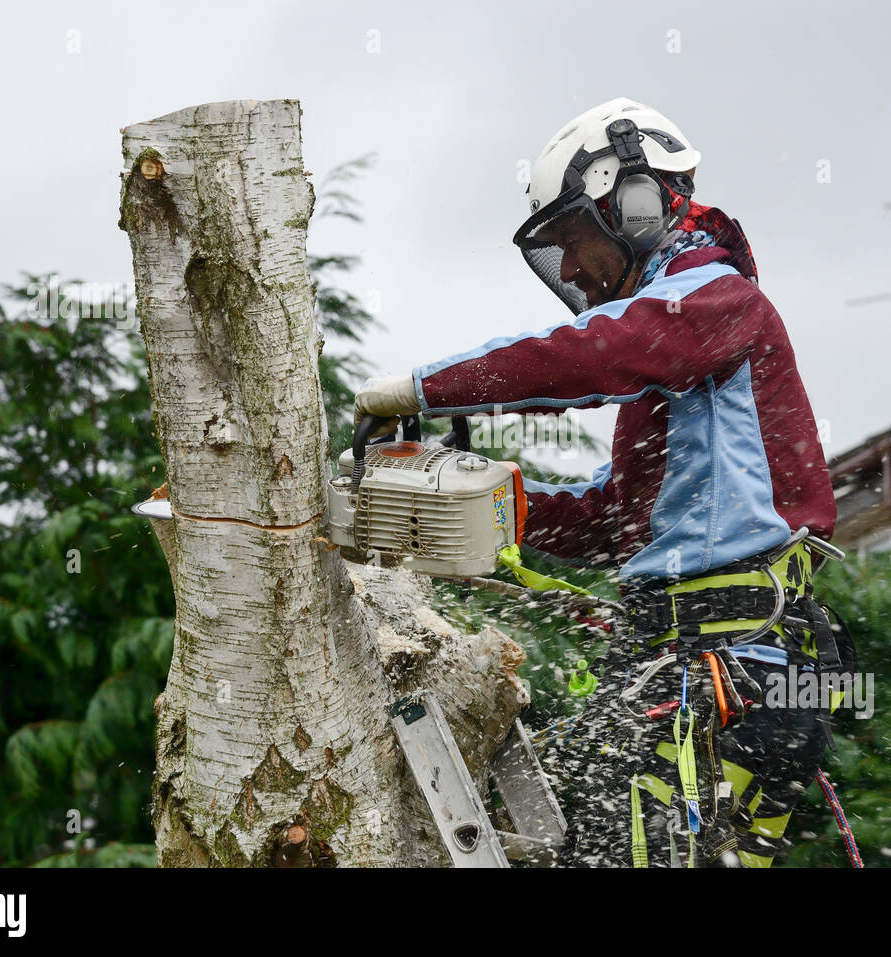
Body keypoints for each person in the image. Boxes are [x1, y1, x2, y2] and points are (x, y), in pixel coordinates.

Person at [354, 97, 851, 867]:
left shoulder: (716, 302)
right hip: (689, 659)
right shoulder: (683, 350)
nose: (574, 268)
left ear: (635, 201)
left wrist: (425, 387)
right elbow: (612, 518)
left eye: (575, 239)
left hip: (734, 666)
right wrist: (478, 502)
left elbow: (590, 355)